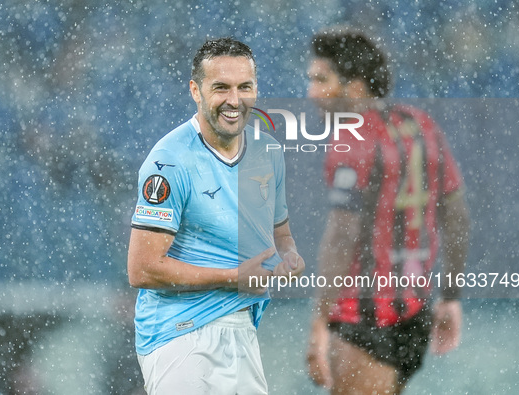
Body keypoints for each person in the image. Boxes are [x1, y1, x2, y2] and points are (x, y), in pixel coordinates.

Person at [127, 37, 305, 395]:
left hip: (243, 328)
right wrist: (233, 277)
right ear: (195, 90)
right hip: (180, 331)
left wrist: (288, 259)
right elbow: (142, 268)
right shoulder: (169, 161)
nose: (234, 100)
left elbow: (280, 233)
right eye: (220, 87)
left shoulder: (268, 152)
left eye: (244, 87)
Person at [305, 28, 470, 394]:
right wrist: (451, 299)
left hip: (364, 318)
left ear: (356, 86)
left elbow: (341, 237)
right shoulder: (420, 124)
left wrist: (318, 326)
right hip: (414, 313)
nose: (311, 92)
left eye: (321, 80)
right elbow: (457, 217)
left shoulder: (351, 139)